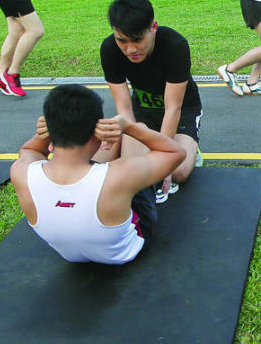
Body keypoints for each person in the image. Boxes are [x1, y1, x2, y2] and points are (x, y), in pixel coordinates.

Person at [10, 84, 184, 264]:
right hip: (125, 251)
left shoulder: (21, 172)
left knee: (98, 179)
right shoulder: (120, 175)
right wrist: (129, 127)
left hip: (70, 255)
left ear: (50, 136)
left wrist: (49, 130)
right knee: (136, 137)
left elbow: (29, 149)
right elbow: (175, 153)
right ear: (97, 134)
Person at [101, 0, 203, 204]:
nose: (131, 49)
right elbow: (123, 107)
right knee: (133, 167)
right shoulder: (109, 49)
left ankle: (191, 149)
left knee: (178, 172)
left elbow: (173, 108)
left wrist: (164, 161)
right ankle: (132, 149)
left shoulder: (175, 45)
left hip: (181, 110)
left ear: (153, 28)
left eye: (138, 40)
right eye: (122, 40)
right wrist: (130, 133)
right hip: (143, 111)